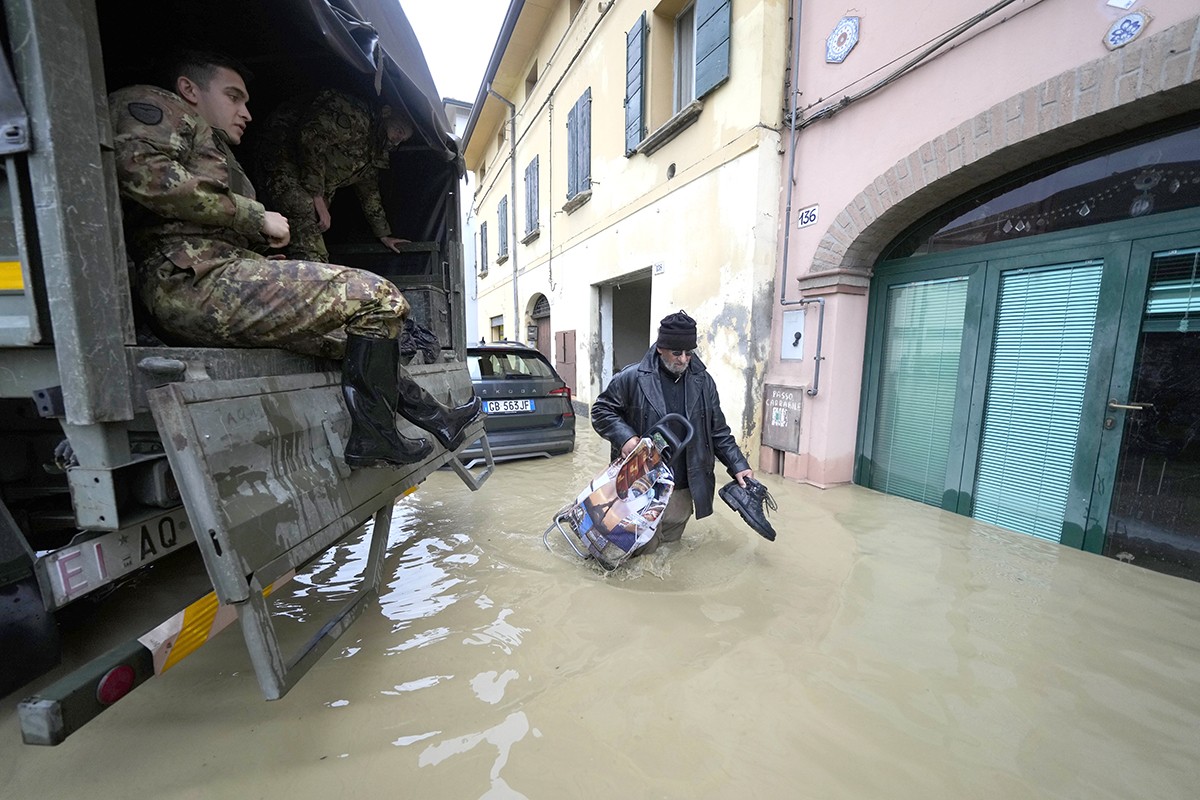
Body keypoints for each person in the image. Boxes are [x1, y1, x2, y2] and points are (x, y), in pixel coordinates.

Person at [108, 50, 479, 469]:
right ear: (189, 89)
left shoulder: (214, 145)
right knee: (378, 299)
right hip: (190, 280)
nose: (246, 112)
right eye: (234, 97)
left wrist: (262, 251)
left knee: (348, 339)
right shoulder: (158, 106)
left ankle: (435, 418)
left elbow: (366, 192)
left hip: (213, 273)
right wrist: (258, 216)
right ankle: (374, 437)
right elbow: (142, 174)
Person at [591, 310, 754, 555]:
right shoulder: (630, 378)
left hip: (683, 486)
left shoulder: (704, 381)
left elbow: (718, 431)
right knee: (638, 553)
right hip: (640, 485)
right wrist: (626, 438)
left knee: (669, 551)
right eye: (677, 353)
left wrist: (739, 465)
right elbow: (601, 411)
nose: (684, 359)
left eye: (689, 352)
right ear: (660, 347)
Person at [256, 88, 412, 262]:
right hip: (285, 160)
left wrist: (384, 235)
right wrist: (317, 197)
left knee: (302, 230)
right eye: (398, 131)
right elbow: (311, 139)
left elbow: (369, 193)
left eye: (402, 139)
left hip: (310, 186)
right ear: (386, 113)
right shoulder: (355, 116)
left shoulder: (374, 151)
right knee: (312, 247)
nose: (396, 140)